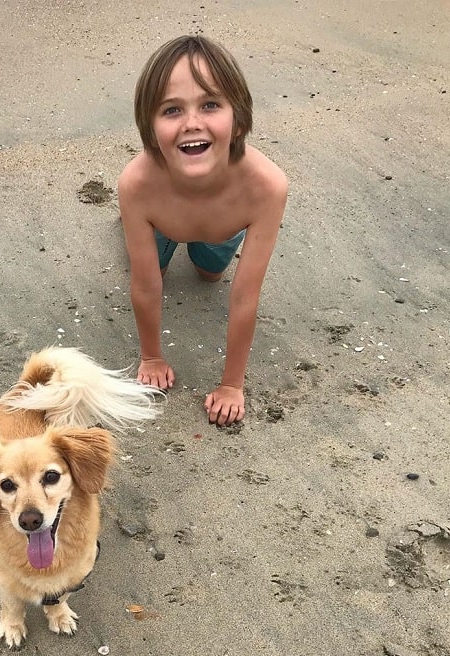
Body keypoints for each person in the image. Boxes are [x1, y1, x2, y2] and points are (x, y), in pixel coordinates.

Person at [118, 35, 288, 426]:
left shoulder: (267, 186)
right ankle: (137, 231)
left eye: (210, 104)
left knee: (211, 275)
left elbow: (245, 297)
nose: (192, 123)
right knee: (152, 272)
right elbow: (145, 288)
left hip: (221, 228)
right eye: (171, 110)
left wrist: (232, 385)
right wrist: (151, 357)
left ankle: (199, 249)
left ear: (239, 119)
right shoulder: (136, 183)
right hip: (162, 221)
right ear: (149, 126)